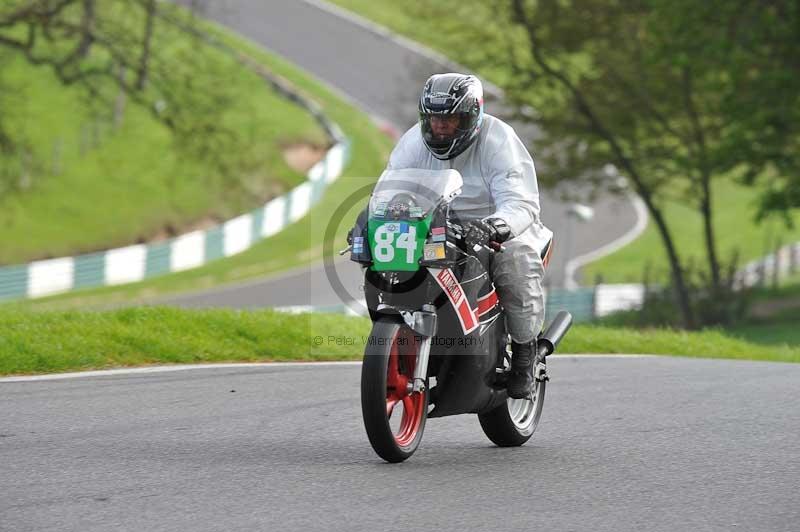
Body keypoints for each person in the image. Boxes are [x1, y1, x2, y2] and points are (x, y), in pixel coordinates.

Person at [385, 72, 552, 399]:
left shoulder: (498, 139)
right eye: (434, 118)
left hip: (496, 230)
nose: (441, 126)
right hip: (436, 227)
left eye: (451, 119)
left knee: (514, 262)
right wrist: (371, 220)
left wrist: (498, 225)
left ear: (472, 115)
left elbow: (520, 200)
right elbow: (391, 189)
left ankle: (524, 356)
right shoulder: (412, 143)